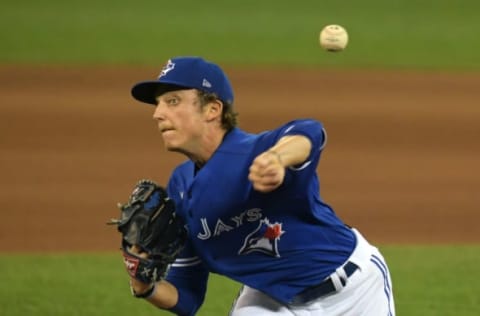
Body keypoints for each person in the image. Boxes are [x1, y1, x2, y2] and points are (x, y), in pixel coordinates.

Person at [126, 56, 395, 315]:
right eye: (158, 104)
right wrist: (146, 286)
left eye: (173, 101)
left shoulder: (253, 151)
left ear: (212, 109)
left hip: (356, 289)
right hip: (272, 303)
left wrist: (278, 159)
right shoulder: (180, 186)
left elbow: (309, 133)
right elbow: (186, 296)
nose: (158, 114)